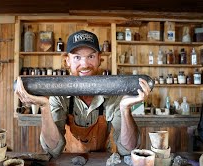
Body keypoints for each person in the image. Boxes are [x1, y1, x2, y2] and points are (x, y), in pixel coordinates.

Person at [15, 30, 151, 158]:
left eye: (90, 56)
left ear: (99, 59)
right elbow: (53, 149)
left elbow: (129, 148)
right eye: (77, 57)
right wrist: (44, 107)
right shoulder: (59, 95)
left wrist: (125, 109)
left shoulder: (114, 94)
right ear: (67, 61)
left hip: (104, 163)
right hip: (69, 163)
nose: (84, 64)